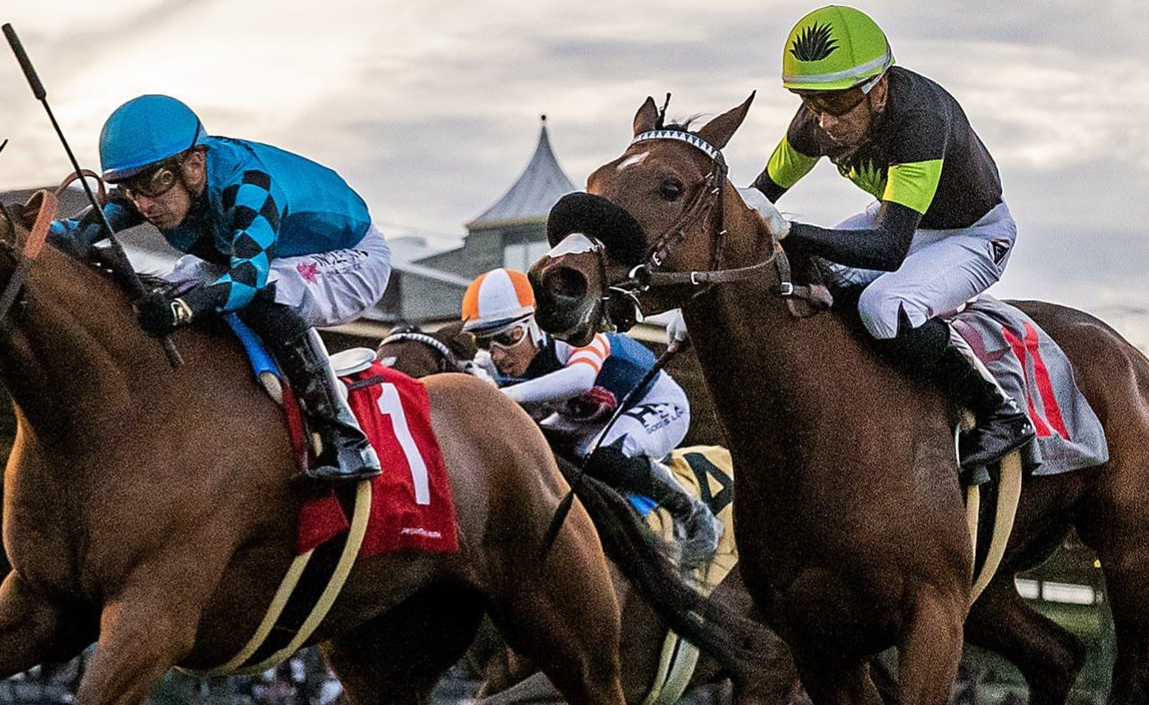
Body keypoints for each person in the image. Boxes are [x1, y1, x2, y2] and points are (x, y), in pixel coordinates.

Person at [743, 5, 1035, 472]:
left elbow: (888, 249)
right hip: (901, 220)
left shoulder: (920, 118)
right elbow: (756, 202)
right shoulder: (814, 124)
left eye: (838, 102)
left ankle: (1001, 411)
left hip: (974, 236)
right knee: (802, 265)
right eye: (811, 101)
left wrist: (792, 231)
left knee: (882, 307)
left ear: (878, 91)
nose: (825, 122)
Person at [52, 95, 389, 482]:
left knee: (263, 297)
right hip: (258, 254)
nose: (143, 204)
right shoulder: (157, 187)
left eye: (153, 184)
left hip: (351, 255)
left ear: (194, 163)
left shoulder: (250, 186)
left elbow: (246, 280)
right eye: (128, 188)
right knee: (171, 284)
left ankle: (344, 438)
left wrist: (182, 311)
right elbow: (75, 234)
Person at [460, 268, 720, 567]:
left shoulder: (575, 334)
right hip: (594, 417)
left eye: (508, 336)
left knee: (601, 456)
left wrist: (499, 396)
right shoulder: (492, 364)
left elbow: (582, 378)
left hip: (654, 402)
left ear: (535, 324)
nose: (498, 355)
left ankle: (693, 513)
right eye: (484, 342)